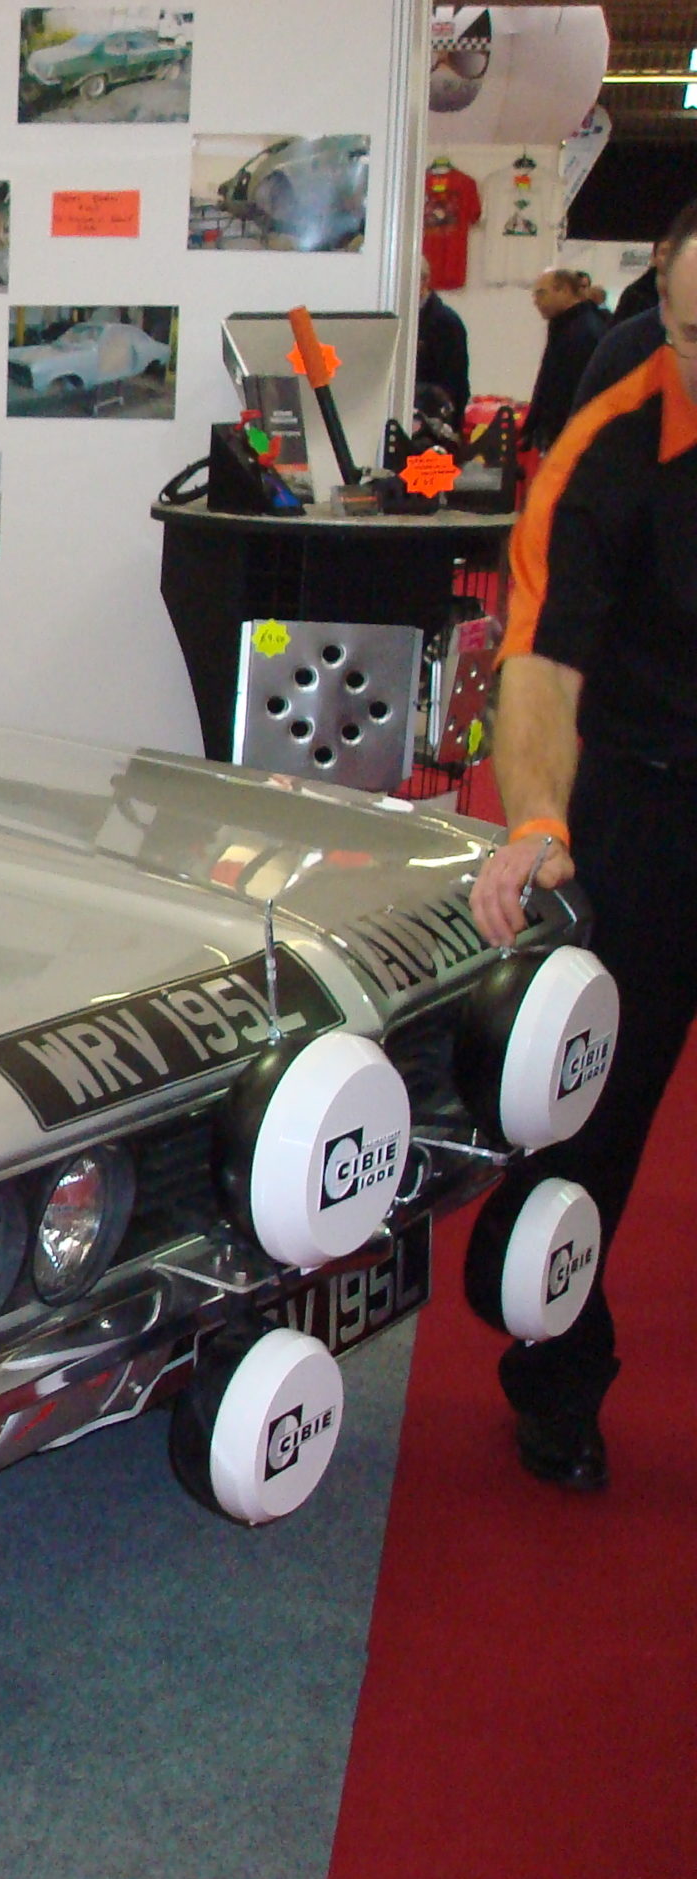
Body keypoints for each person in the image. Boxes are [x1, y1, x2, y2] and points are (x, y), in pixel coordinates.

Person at [471, 200, 697, 1492]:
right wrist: (539, 821)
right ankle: (557, 1371)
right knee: (591, 1124)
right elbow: (542, 668)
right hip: (646, 802)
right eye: (690, 332)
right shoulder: (611, 444)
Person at [574, 218, 682, 411]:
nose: (668, 259)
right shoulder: (636, 298)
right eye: (664, 252)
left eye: (674, 252)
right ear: (653, 257)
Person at [521, 268, 611, 453]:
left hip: (573, 439)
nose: (536, 301)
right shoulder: (564, 326)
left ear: (564, 291)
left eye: (541, 293)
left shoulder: (584, 332)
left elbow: (573, 392)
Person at [416, 260, 471, 421]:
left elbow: (455, 385)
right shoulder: (401, 318)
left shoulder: (446, 322)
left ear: (424, 282)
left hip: (432, 419)